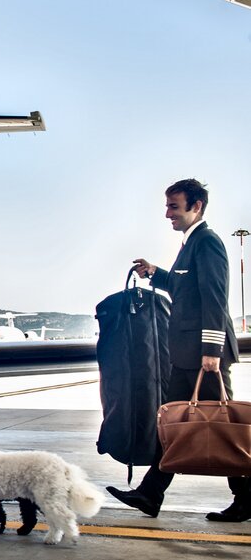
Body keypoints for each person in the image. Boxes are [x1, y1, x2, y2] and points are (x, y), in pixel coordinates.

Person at [107, 179, 248, 522]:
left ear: (196, 206)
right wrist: (156, 273)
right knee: (171, 424)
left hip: (204, 356)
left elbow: (215, 297)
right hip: (187, 355)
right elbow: (184, 289)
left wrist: (211, 351)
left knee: (224, 426)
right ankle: (150, 493)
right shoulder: (190, 244)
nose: (167, 213)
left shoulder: (208, 243)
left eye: (174, 206)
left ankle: (246, 497)